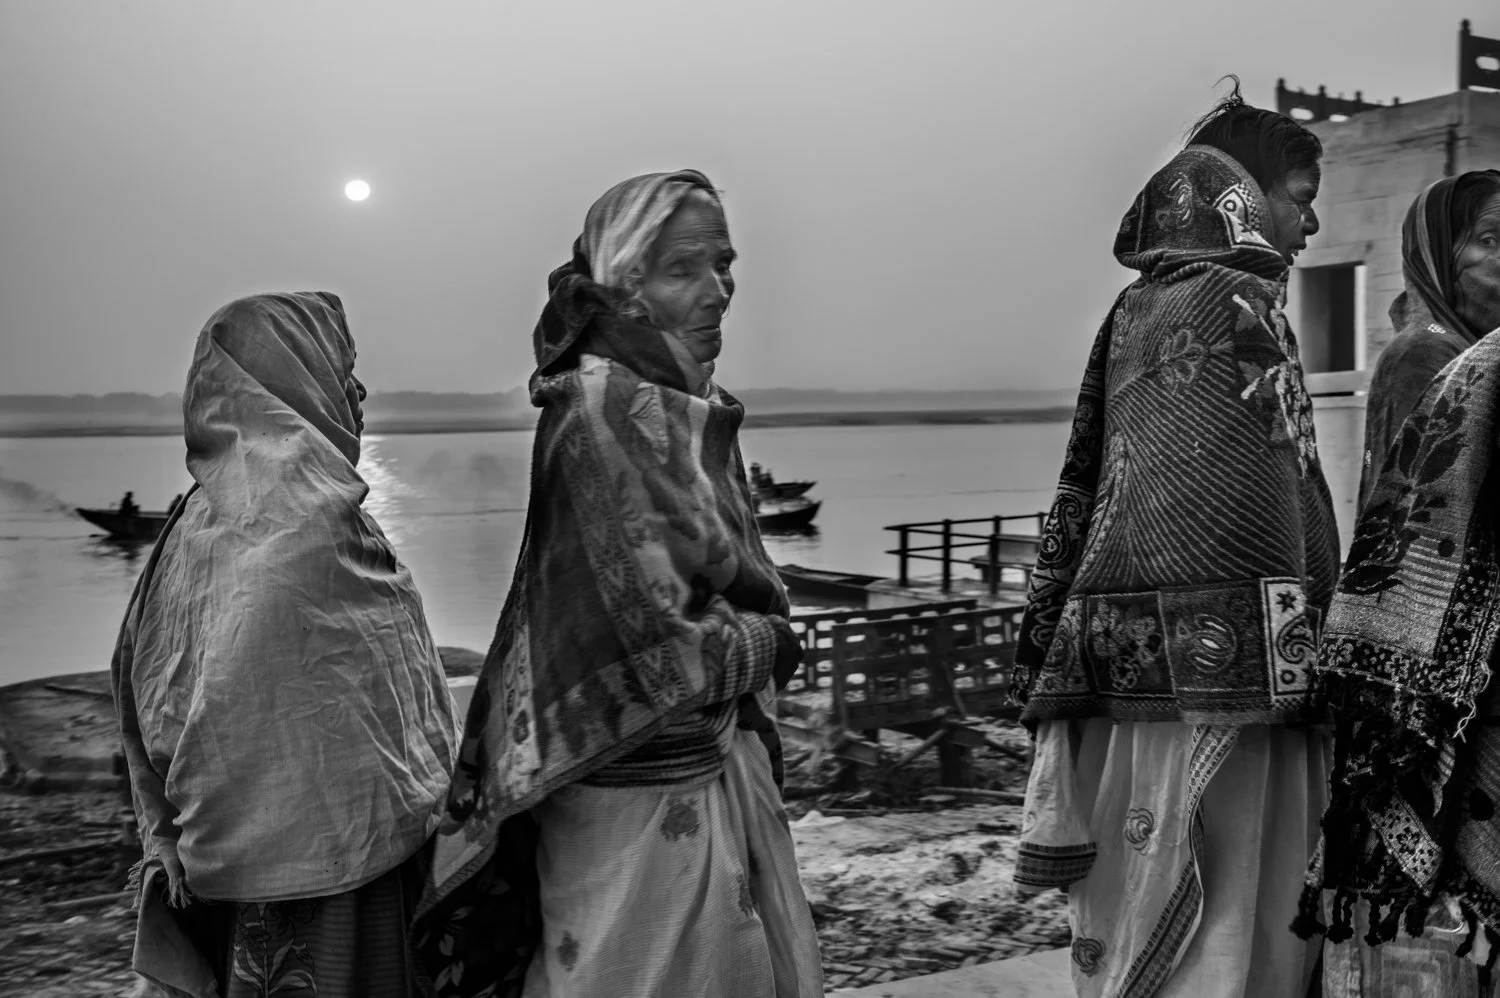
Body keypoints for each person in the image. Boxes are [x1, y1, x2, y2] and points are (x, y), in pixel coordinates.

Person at [411, 170, 823, 998]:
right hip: (626, 795)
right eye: (683, 269)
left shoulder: (690, 409)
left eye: (724, 265)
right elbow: (645, 641)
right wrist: (771, 641)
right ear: (625, 285)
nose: (718, 292)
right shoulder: (601, 411)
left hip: (703, 766)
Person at [1009, 82, 1340, 998]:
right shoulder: (1238, 298)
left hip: (1132, 693)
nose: (1309, 229)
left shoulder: (1133, 310)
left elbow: (1100, 487)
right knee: (1241, 923)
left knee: (1147, 910)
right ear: (1245, 195)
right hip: (1236, 713)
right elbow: (1272, 497)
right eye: (1302, 201)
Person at [113, 292, 458, 998]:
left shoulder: (191, 525)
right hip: (343, 886)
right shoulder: (311, 532)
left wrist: (189, 836)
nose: (359, 390)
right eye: (342, 368)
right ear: (288, 383)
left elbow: (145, 691)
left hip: (223, 881)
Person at [1298, 171, 1500, 996]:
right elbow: (1426, 545)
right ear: (1437, 261)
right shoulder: (1429, 359)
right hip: (1453, 677)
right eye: (1491, 243)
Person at [1357, 170, 1500, 512]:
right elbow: (1414, 513)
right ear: (1436, 254)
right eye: (1488, 240)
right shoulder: (1424, 354)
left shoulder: (1476, 352)